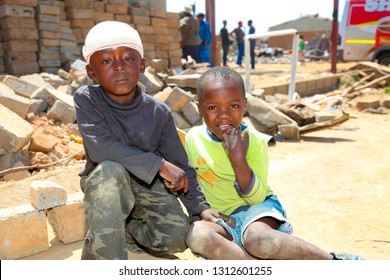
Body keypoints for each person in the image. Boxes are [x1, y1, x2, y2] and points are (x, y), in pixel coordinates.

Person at [73, 21, 220, 260]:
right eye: (107, 61)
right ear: (92, 72)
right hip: (105, 182)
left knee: (176, 236)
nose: (119, 67)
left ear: (141, 65)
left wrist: (199, 208)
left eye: (128, 59)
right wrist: (159, 165)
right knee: (111, 169)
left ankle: (126, 231)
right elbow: (101, 148)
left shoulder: (159, 112)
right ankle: (102, 260)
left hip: (147, 183)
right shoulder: (88, 99)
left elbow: (180, 166)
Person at [184, 66, 365, 260]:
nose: (224, 114)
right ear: (199, 108)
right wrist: (203, 210)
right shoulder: (194, 138)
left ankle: (332, 261)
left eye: (233, 106)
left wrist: (238, 160)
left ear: (245, 105)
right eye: (213, 107)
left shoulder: (254, 141)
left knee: (258, 239)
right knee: (197, 235)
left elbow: (255, 198)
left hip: (258, 213)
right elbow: (191, 181)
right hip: (222, 221)